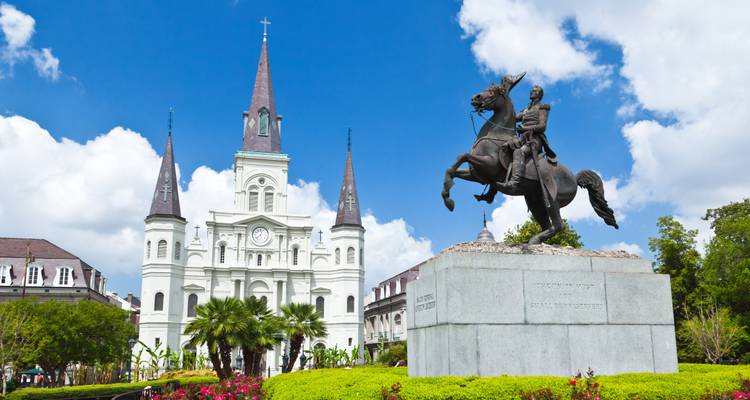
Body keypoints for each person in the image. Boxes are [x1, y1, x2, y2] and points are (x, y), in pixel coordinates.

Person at [496, 85, 557, 192]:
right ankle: (492, 190)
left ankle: (514, 182)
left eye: (535, 91)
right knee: (502, 149)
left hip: (534, 140)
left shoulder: (543, 108)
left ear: (539, 94)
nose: (531, 92)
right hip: (522, 138)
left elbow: (542, 127)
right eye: (531, 90)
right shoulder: (526, 110)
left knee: (519, 152)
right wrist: (500, 105)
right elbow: (512, 118)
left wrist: (525, 128)